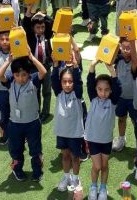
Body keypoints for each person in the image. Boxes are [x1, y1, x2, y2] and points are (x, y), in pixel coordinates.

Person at [0, 54, 46, 182]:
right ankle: (17, 169)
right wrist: (8, 60)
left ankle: (37, 171)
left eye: (24, 74)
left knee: (35, 149)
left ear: (29, 74)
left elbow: (43, 71)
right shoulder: (10, 81)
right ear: (13, 75)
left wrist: (31, 57)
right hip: (14, 124)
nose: (21, 78)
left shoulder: (33, 80)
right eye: (17, 75)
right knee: (16, 149)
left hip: (32, 123)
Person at [85, 59, 121, 200]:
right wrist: (93, 65)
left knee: (105, 165)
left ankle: (103, 188)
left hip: (106, 139)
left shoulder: (112, 101)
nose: (103, 93)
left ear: (111, 90)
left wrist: (112, 71)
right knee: (97, 166)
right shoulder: (93, 98)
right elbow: (89, 82)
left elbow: (118, 88)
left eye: (106, 90)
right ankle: (93, 186)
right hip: (93, 138)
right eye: (100, 89)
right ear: (95, 89)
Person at [51, 61, 84, 190]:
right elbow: (53, 79)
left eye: (70, 81)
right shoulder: (59, 93)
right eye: (64, 81)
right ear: (60, 83)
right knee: (65, 156)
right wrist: (55, 65)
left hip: (75, 133)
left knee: (75, 157)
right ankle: (66, 177)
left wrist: (75, 67)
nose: (67, 84)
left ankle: (75, 179)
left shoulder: (77, 94)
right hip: (62, 131)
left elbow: (78, 81)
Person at [22, 8, 53, 122]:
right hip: (33, 68)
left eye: (43, 27)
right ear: (33, 28)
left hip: (46, 66)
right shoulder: (29, 36)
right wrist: (30, 14)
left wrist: (42, 15)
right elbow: (25, 23)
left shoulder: (48, 34)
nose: (41, 30)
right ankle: (37, 111)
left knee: (47, 90)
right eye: (38, 27)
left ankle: (46, 112)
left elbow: (52, 22)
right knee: (36, 90)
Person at [112, 38, 137, 152]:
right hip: (120, 98)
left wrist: (134, 40)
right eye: (124, 47)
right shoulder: (118, 59)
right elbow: (109, 59)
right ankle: (121, 139)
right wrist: (117, 46)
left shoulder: (135, 62)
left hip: (134, 98)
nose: (126, 50)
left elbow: (135, 57)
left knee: (135, 121)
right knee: (121, 118)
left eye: (129, 47)